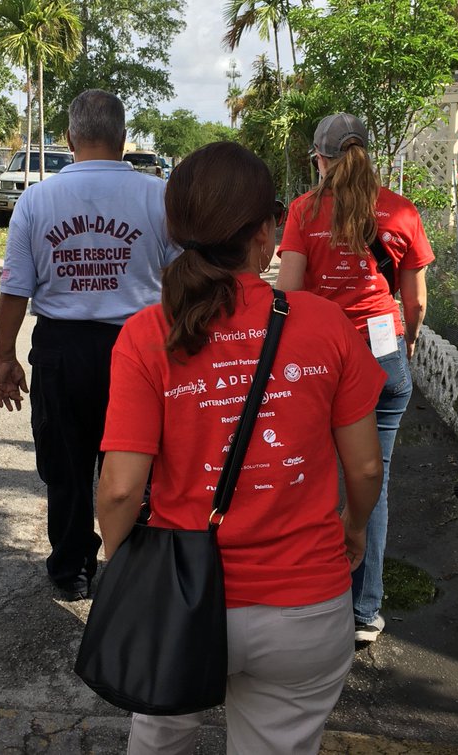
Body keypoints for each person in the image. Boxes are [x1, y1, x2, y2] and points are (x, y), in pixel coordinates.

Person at [97, 142, 385, 754]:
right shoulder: (325, 323)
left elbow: (121, 487)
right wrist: (355, 528)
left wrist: (127, 567)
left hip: (181, 590)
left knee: (160, 735)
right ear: (265, 230)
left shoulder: (149, 334)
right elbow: (363, 465)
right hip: (304, 601)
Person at [0, 88, 177, 601]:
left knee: (67, 465)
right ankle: (132, 565)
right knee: (137, 463)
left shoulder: (37, 199)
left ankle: (71, 568)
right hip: (139, 346)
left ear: (70, 137)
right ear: (123, 139)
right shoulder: (156, 196)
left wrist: (4, 356)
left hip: (60, 349)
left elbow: (15, 288)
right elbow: (184, 274)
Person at [276, 113, 433, 644]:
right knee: (373, 482)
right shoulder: (402, 211)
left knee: (311, 476)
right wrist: (404, 342)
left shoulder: (304, 210)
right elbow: (414, 302)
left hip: (322, 362)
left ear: (319, 160)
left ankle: (311, 601)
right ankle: (365, 612)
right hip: (383, 355)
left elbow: (291, 296)